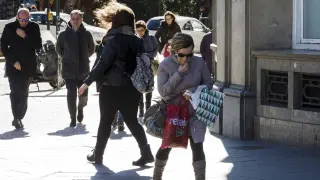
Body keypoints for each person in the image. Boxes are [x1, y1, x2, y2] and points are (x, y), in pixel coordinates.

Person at [78, 1, 154, 165]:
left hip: (111, 88)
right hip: (132, 88)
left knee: (105, 121)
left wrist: (86, 82)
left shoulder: (112, 40)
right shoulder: (137, 40)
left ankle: (97, 155)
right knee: (132, 121)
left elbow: (103, 64)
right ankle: (146, 152)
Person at [153, 33, 213, 180]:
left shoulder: (199, 63)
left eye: (189, 54)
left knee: (197, 145)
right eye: (182, 55)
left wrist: (193, 92)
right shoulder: (165, 65)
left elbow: (209, 84)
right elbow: (163, 91)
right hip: (175, 112)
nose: (186, 59)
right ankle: (157, 176)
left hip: (195, 110)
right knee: (167, 145)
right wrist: (178, 74)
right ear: (174, 51)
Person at [0, 8, 42, 129]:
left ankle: (19, 116)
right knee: (14, 91)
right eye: (22, 19)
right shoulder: (9, 27)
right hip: (13, 65)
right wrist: (13, 62)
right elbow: (3, 46)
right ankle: (16, 117)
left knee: (23, 92)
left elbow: (38, 45)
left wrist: (25, 36)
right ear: (17, 17)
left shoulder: (34, 27)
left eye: (26, 19)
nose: (24, 22)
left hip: (28, 65)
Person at [56, 10, 95, 127]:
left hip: (83, 70)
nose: (75, 21)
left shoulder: (87, 34)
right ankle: (72, 117)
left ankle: (80, 108)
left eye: (77, 19)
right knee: (71, 94)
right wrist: (67, 58)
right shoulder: (63, 35)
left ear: (81, 19)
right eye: (73, 19)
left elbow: (91, 49)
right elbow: (59, 49)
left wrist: (83, 57)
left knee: (83, 96)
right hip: (69, 70)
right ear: (70, 19)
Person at [135, 20, 158, 117]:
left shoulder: (151, 38)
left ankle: (148, 109)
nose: (140, 32)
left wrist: (145, 55)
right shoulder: (135, 39)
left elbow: (155, 51)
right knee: (139, 87)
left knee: (149, 86)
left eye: (142, 30)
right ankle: (140, 110)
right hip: (138, 67)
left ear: (145, 29)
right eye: (138, 30)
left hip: (149, 65)